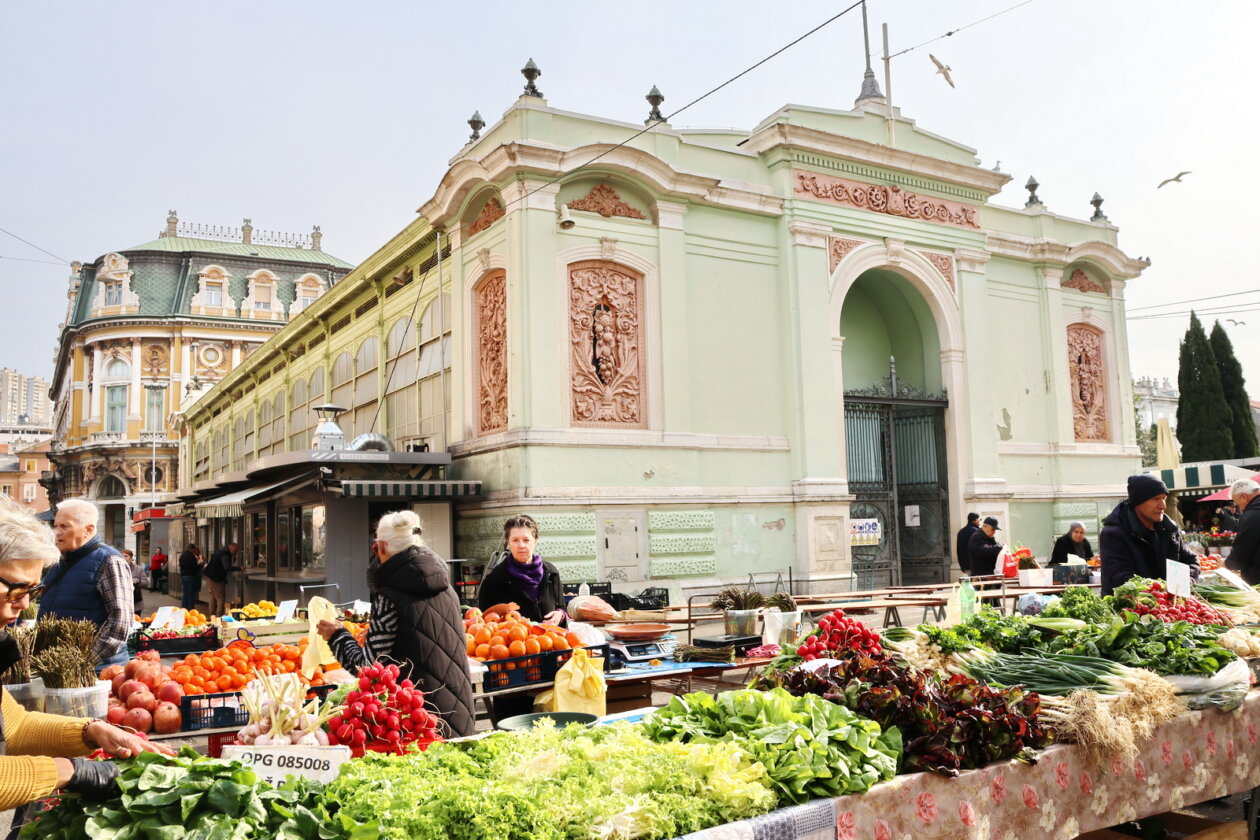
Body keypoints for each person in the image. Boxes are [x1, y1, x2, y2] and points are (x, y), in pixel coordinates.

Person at [0, 500, 174, 813]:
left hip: (96, 671)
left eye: (30, 590)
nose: (24, 604)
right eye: (14, 589)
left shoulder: (106, 560)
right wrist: (71, 771)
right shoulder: (65, 562)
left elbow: (13, 726)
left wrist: (90, 731)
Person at [317, 510, 474, 738]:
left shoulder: (389, 596)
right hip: (458, 712)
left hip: (418, 722)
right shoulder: (447, 588)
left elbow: (369, 670)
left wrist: (337, 636)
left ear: (381, 547)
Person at [38, 500, 133, 670]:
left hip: (96, 671)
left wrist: (83, 662)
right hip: (60, 668)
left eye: (64, 526)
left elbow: (120, 625)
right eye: (56, 525)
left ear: (88, 530)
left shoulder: (110, 560)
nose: (56, 532)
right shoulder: (58, 560)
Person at [1099, 475, 1200, 595]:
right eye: (1156, 499)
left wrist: (1185, 583)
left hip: (1167, 607)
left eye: (1164, 498)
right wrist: (1159, 591)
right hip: (1128, 609)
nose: (1163, 505)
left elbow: (1191, 561)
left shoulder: (1170, 530)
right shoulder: (1114, 534)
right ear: (1138, 502)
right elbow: (1120, 578)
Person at [478, 515, 566, 625]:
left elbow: (561, 607)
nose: (521, 545)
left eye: (526, 540)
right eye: (515, 540)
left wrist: (560, 614)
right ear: (508, 542)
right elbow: (485, 622)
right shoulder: (494, 580)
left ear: (535, 541)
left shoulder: (551, 573)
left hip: (550, 640)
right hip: (514, 641)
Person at [1225, 478, 1260, 585]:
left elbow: (1240, 557)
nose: (1240, 507)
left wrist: (1227, 563)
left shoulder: (1251, 515)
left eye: (1237, 503)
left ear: (1244, 497)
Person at [203, 543, 239, 617]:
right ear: (231, 548)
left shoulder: (221, 551)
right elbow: (226, 567)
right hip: (216, 578)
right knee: (220, 597)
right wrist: (238, 568)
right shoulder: (225, 554)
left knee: (212, 596)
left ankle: (212, 614)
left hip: (210, 576)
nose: (236, 552)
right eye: (235, 550)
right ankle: (219, 615)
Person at [177, 543, 202, 611]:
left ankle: (184, 608)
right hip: (190, 576)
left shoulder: (182, 556)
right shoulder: (191, 556)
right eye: (194, 549)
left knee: (185, 593)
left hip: (183, 576)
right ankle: (191, 608)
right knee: (191, 593)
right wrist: (200, 565)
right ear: (192, 549)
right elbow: (194, 567)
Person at [123, 550, 146, 615]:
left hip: (136, 603)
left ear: (131, 558)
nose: (123, 558)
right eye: (122, 556)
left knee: (136, 622)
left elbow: (145, 583)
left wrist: (137, 580)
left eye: (126, 556)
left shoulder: (138, 569)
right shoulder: (117, 568)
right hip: (123, 603)